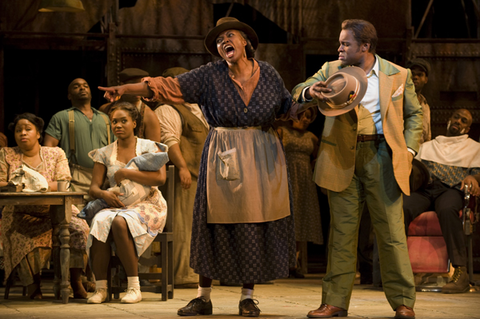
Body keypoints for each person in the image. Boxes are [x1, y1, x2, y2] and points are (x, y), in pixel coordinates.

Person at [100, 17, 300, 317]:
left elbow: (287, 108)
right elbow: (164, 86)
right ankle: (203, 297)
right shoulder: (210, 75)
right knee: (212, 220)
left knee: (255, 222)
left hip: (261, 154)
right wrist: (125, 89)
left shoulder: (268, 74)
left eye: (229, 36)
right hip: (224, 152)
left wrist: (312, 98)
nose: (223, 43)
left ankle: (247, 297)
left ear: (246, 41)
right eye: (219, 41)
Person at [292, 19, 423, 319]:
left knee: (390, 233)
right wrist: (311, 91)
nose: (339, 47)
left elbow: (415, 115)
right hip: (341, 159)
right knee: (342, 233)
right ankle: (335, 302)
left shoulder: (397, 74)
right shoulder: (330, 70)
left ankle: (403, 302)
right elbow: (297, 91)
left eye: (345, 43)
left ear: (364, 47)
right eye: (340, 42)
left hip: (382, 156)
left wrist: (409, 149)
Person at [0, 113, 90, 299]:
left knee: (79, 229)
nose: (23, 133)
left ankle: (75, 281)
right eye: (18, 130)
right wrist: (25, 186)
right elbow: (1, 183)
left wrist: (33, 185)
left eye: (28, 129)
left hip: (56, 210)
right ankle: (33, 285)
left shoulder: (55, 153)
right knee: (20, 235)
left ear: (39, 133)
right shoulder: (7, 154)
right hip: (21, 212)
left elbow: (63, 182)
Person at [86, 101, 168, 304]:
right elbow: (94, 187)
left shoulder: (149, 147)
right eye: (114, 122)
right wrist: (104, 195)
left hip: (149, 204)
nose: (118, 125)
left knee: (118, 222)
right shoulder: (104, 153)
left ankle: (134, 287)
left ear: (134, 123)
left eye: (123, 121)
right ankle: (101, 288)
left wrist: (126, 173)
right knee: (99, 221)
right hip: (118, 203)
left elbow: (160, 179)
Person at [404, 108, 480, 294]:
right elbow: (415, 171)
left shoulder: (474, 148)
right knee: (401, 207)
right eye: (456, 117)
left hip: (451, 189)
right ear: (449, 119)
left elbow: (477, 172)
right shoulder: (429, 145)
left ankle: (460, 273)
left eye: (464, 121)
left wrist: (474, 179)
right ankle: (395, 270)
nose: (458, 122)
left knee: (447, 209)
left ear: (468, 128)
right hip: (425, 189)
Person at [154, 66, 209, 287]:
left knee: (198, 226)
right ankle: (181, 274)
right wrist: (183, 167)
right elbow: (170, 141)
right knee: (182, 224)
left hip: (203, 176)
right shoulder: (168, 109)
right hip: (185, 175)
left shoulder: (197, 108)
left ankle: (198, 272)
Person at [44, 78, 113, 197]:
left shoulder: (105, 118)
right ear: (69, 96)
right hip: (74, 177)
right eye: (76, 86)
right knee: (75, 213)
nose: (82, 88)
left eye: (85, 86)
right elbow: (48, 150)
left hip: (104, 178)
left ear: (91, 93)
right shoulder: (61, 117)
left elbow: (118, 148)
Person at [277, 106, 323, 278]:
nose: (305, 120)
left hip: (304, 181)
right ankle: (281, 262)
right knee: (286, 219)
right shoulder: (282, 132)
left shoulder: (311, 137)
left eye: (308, 117)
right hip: (286, 179)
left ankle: (295, 263)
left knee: (301, 221)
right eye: (302, 116)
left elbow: (318, 157)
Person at [99, 68, 161, 142]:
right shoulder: (105, 109)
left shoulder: (148, 115)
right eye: (134, 85)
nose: (138, 89)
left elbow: (154, 149)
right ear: (122, 86)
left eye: (141, 85)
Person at [407, 58, 431, 144]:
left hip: (421, 153)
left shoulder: (425, 105)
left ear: (426, 79)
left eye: (420, 75)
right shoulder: (400, 101)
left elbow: (427, 136)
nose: (415, 77)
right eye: (412, 74)